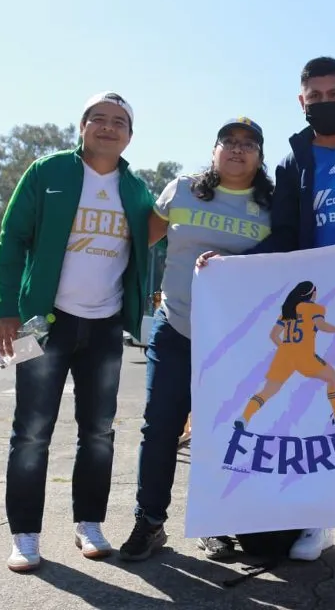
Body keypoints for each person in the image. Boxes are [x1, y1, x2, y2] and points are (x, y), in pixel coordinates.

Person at [198, 56, 335, 566]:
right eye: (315, 96)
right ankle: (319, 519)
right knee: (316, 409)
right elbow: (284, 235)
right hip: (319, 291)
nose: (325, 102)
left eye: (333, 93)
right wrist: (234, 265)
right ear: (302, 103)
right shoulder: (292, 162)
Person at [0, 91, 157, 573]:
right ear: (82, 127)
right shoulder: (48, 172)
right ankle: (24, 536)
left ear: (130, 135)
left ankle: (89, 524)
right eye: (98, 119)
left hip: (105, 326)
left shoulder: (137, 190)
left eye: (119, 122)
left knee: (100, 432)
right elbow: (12, 238)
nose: (108, 127)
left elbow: (161, 234)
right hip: (40, 322)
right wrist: (5, 309)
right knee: (30, 433)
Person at [118, 117, 275, 563]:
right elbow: (136, 244)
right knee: (160, 427)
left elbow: (286, 256)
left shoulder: (272, 204)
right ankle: (149, 522)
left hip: (237, 338)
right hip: (176, 326)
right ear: (214, 150)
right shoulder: (182, 189)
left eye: (248, 144)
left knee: (225, 433)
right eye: (229, 141)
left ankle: (216, 524)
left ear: (260, 156)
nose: (237, 150)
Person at [236, 280, 335, 431]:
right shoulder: (316, 308)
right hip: (305, 356)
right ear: (312, 293)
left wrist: (287, 349)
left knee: (267, 391)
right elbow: (321, 326)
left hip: (284, 356)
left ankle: (244, 418)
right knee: (333, 379)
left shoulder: (288, 310)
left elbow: (273, 335)